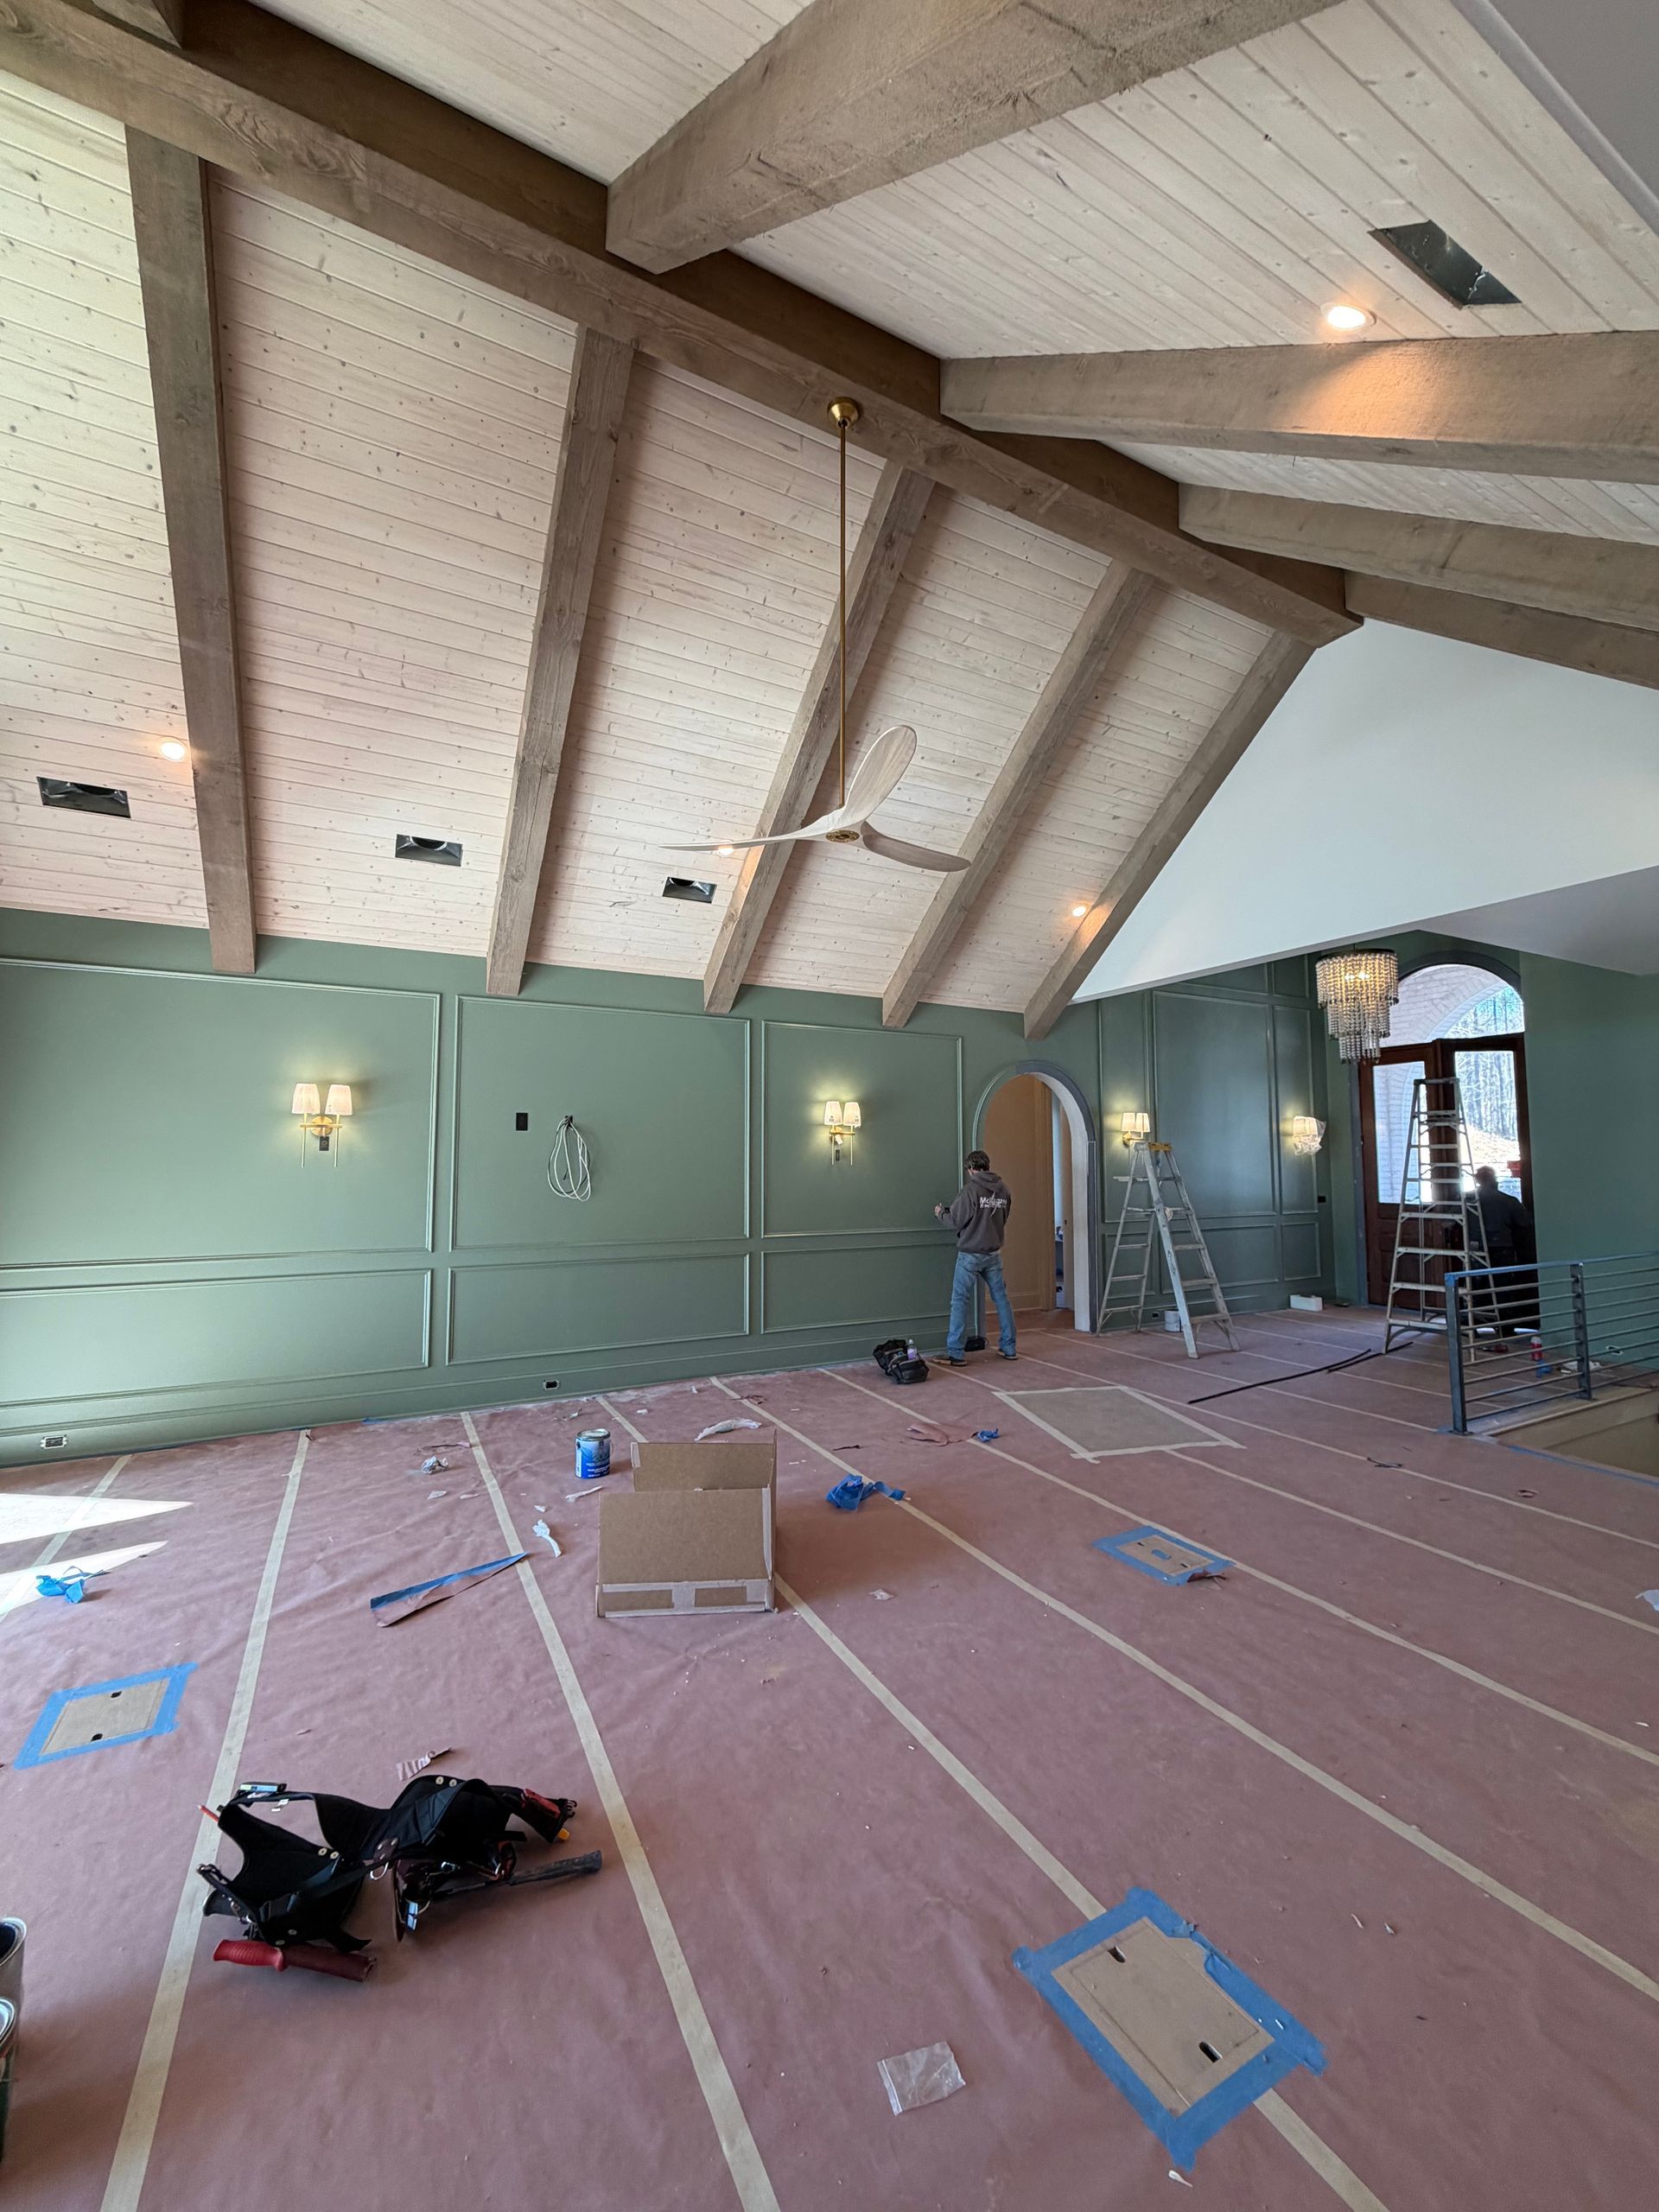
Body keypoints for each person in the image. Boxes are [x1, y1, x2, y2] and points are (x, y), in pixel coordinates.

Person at [935, 1149, 1017, 1364]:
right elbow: (1004, 1218)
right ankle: (1009, 1347)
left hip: (970, 1254)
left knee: (960, 1301)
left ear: (971, 1169)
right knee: (1001, 1299)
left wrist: (940, 1213)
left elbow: (955, 1221)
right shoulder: (1003, 1190)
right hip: (994, 1253)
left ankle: (955, 1353)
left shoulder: (970, 1191)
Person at [1470, 1165, 1537, 1330]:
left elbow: (1449, 1221)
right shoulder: (1507, 1201)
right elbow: (1526, 1222)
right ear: (1494, 1180)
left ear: (1477, 1180)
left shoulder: (1467, 1200)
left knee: (1476, 1287)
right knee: (1503, 1288)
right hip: (1502, 1248)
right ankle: (1504, 1327)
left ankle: (1473, 1324)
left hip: (1474, 1250)